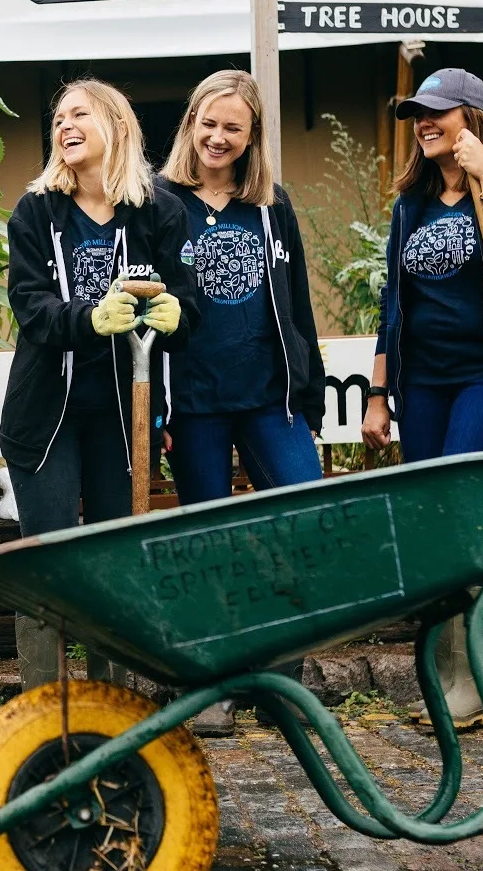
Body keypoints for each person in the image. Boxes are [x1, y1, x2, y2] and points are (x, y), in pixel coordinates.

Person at [361, 68, 483, 730]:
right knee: (430, 524)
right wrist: (380, 394)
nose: (423, 121)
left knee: (463, 515)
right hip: (424, 386)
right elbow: (393, 303)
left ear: (472, 117)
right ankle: (444, 674)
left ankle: (471, 678)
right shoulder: (411, 200)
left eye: (437, 112)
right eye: (417, 112)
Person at [0, 78, 198, 691]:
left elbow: (188, 300)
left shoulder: (160, 211)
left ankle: (112, 699)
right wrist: (87, 319)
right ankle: (47, 706)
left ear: (115, 124)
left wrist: (179, 315)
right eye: (58, 117)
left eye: (79, 114)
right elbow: (29, 307)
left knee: (117, 558)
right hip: (46, 416)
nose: (64, 125)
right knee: (49, 560)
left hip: (124, 417)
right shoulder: (35, 212)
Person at [153, 69, 324, 737]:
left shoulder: (270, 205)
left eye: (234, 127)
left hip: (268, 396)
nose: (218, 137)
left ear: (252, 138)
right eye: (209, 123)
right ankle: (212, 687)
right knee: (209, 542)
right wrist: (156, 409)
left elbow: (299, 303)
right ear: (191, 123)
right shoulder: (160, 203)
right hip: (193, 401)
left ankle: (281, 681)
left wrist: (306, 389)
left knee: (304, 521)